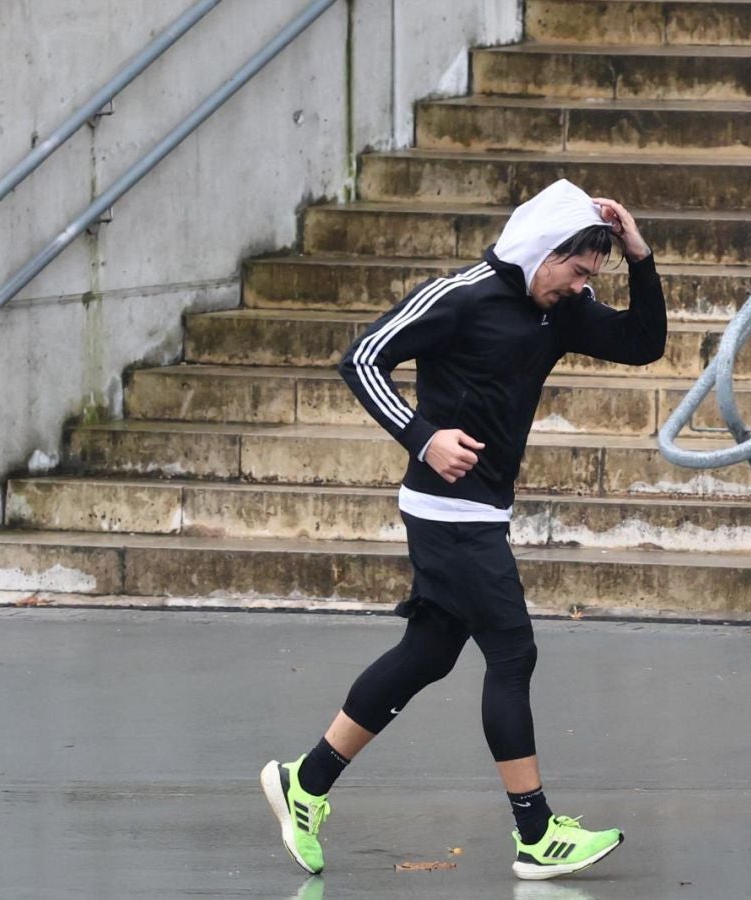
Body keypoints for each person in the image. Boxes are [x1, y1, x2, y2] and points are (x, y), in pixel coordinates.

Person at [260, 179, 667, 881]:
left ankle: (307, 781)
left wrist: (640, 257)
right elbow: (362, 358)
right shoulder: (461, 296)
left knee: (427, 653)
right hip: (446, 513)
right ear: (544, 252)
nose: (581, 287)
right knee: (512, 652)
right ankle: (535, 833)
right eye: (576, 271)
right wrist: (424, 437)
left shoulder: (561, 309)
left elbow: (643, 344)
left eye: (590, 277)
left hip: (482, 510)